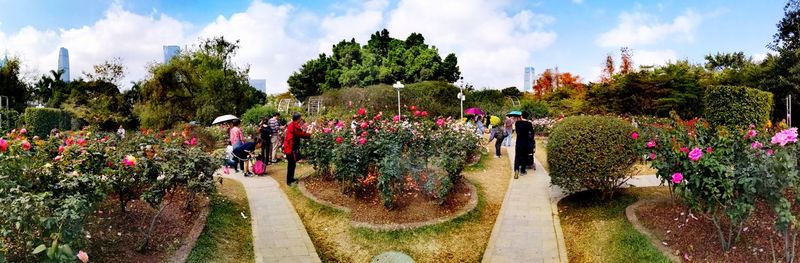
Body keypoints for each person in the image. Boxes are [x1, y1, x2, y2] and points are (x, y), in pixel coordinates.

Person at [283, 112, 311, 185]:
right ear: (298, 119)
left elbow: (300, 133)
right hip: (290, 148)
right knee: (291, 164)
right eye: (300, 118)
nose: (301, 119)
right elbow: (300, 134)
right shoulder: (293, 126)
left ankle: (291, 179)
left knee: (292, 164)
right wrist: (310, 135)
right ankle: (289, 181)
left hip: (290, 147)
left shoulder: (292, 125)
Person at [514, 111, 535, 179]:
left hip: (519, 142)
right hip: (526, 142)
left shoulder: (517, 123)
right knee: (524, 156)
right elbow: (532, 133)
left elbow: (517, 132)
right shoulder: (529, 124)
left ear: (521, 116)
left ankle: (516, 170)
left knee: (517, 156)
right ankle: (522, 171)